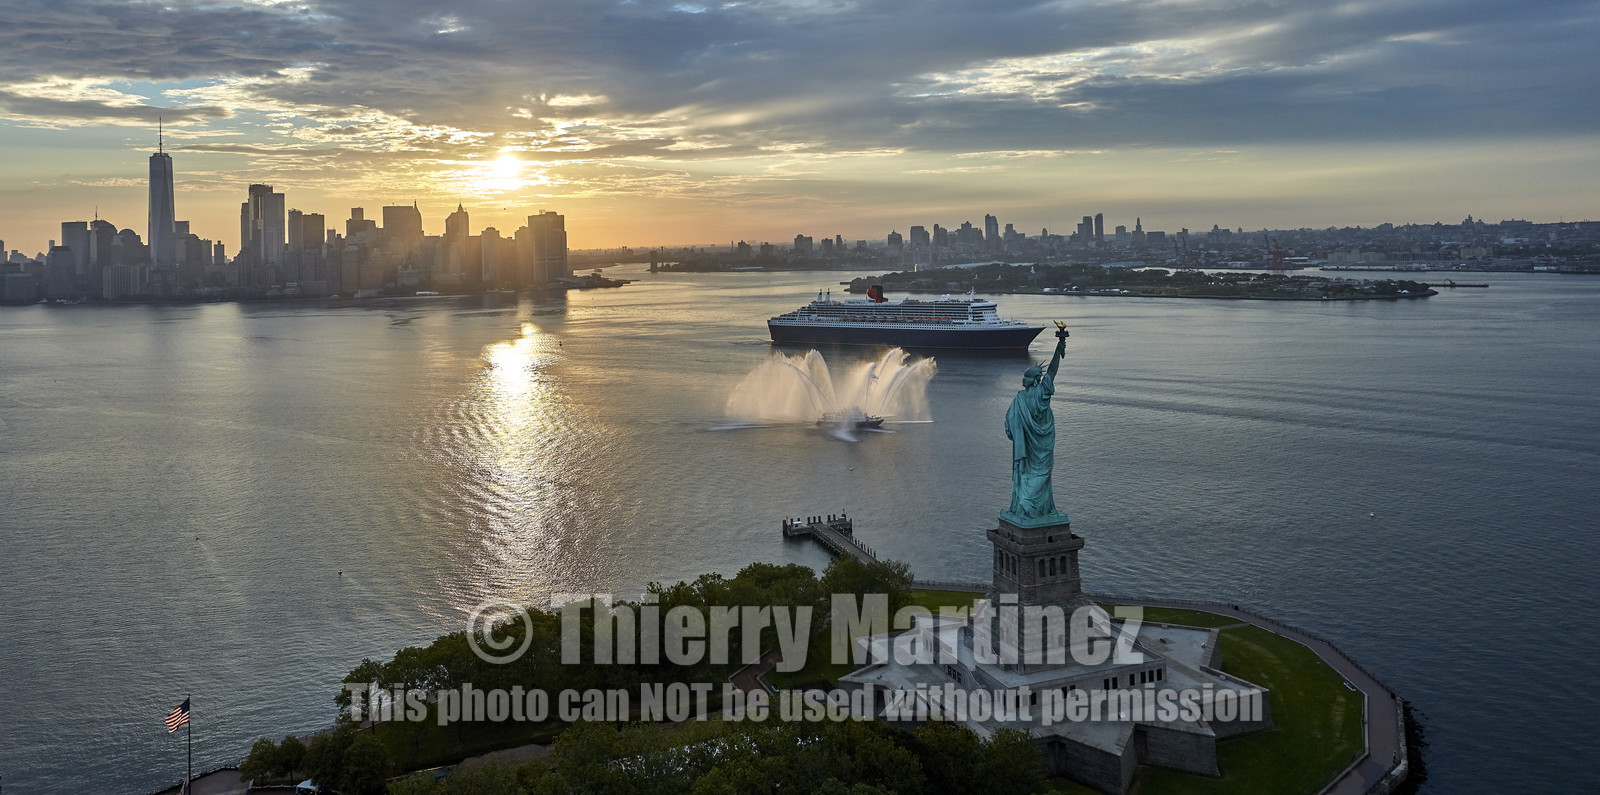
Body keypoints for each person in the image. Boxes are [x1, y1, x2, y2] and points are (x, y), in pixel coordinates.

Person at [1005, 322, 1068, 520]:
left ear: (1028, 380)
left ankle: (1025, 505)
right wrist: (1059, 346)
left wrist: (1018, 433)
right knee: (1042, 473)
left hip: (1027, 447)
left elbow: (1009, 429)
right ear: (1037, 380)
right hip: (1043, 443)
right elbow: (1053, 371)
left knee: (1026, 473)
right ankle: (1032, 506)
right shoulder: (1041, 394)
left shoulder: (1019, 400)